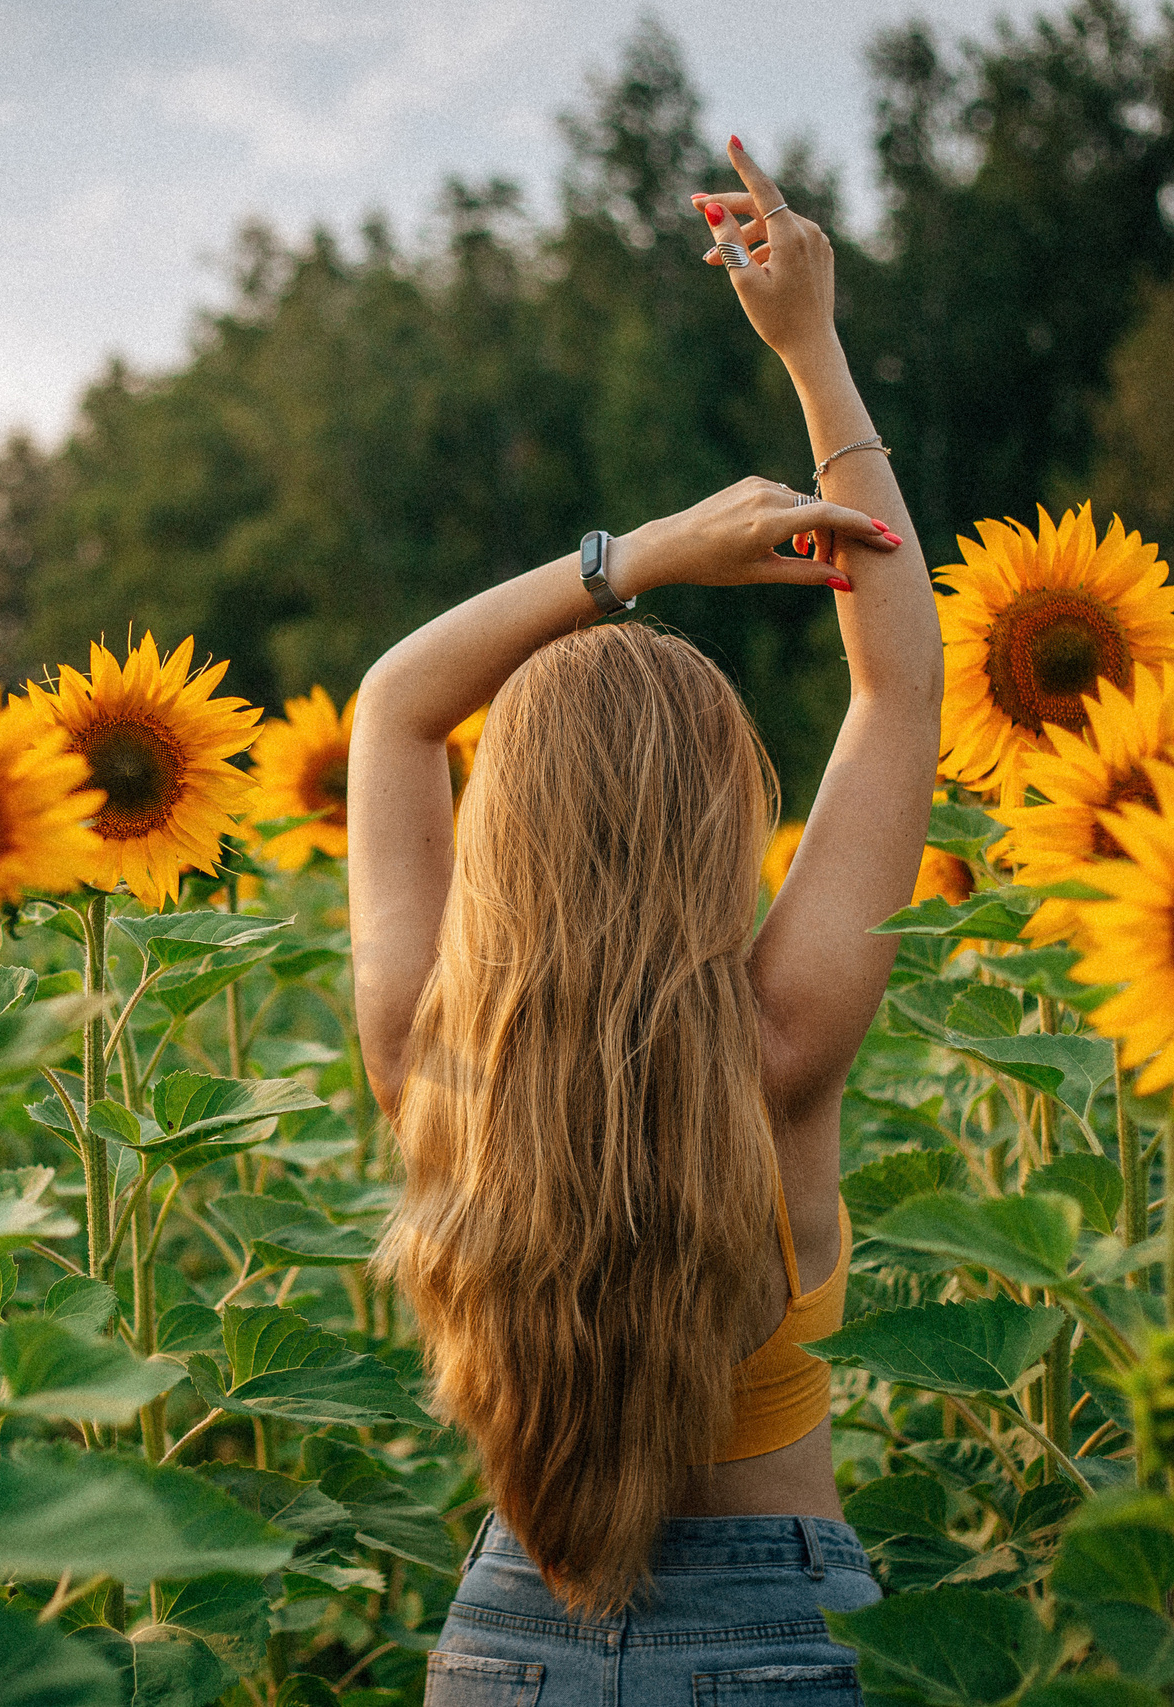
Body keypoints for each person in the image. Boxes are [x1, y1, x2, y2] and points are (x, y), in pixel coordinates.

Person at [346, 136, 941, 1704]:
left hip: (502, 1646)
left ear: (505, 834)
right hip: (768, 1641)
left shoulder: (428, 1059)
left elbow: (396, 705)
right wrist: (810, 346)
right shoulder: (782, 1041)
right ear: (721, 823)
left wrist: (640, 556)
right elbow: (902, 682)